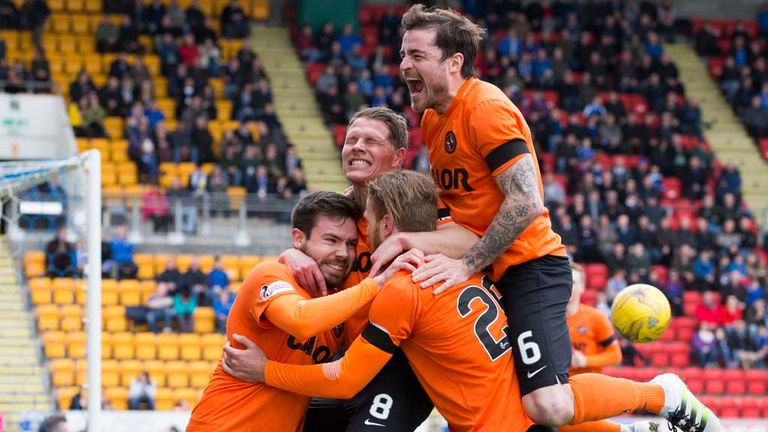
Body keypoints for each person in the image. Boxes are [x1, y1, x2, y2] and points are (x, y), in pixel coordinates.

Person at [362, 5, 720, 432]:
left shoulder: (485, 108)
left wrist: (466, 264)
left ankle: (664, 396)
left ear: (454, 62)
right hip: (489, 269)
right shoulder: (434, 118)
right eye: (403, 55)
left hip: (530, 269)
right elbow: (467, 214)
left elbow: (526, 201)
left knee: (548, 404)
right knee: (515, 405)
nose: (404, 65)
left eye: (417, 55)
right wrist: (408, 239)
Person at [227, 170, 713, 432]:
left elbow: (346, 378)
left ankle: (658, 398)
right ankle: (655, 402)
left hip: (489, 422)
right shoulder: (465, 257)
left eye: (366, 222)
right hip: (512, 395)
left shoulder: (401, 287)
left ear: (389, 227)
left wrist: (264, 372)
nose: (361, 233)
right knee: (555, 405)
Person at [250, 107, 476, 431]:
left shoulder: (419, 202)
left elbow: (473, 240)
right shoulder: (337, 212)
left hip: (402, 363)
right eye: (351, 139)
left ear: (398, 156)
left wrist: (405, 240)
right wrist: (292, 254)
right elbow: (303, 248)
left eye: (371, 141)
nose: (357, 146)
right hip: (346, 359)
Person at [187, 192, 412, 431]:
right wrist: (375, 284)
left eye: (351, 244)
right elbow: (301, 320)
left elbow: (343, 379)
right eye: (331, 240)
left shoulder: (338, 305)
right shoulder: (269, 274)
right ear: (298, 238)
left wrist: (266, 371)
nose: (343, 254)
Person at [566, 265, 622, 375]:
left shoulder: (596, 317)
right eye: (564, 281)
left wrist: (586, 361)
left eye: (573, 282)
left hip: (587, 386)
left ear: (582, 286)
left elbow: (615, 355)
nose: (568, 286)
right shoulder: (545, 320)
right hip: (557, 389)